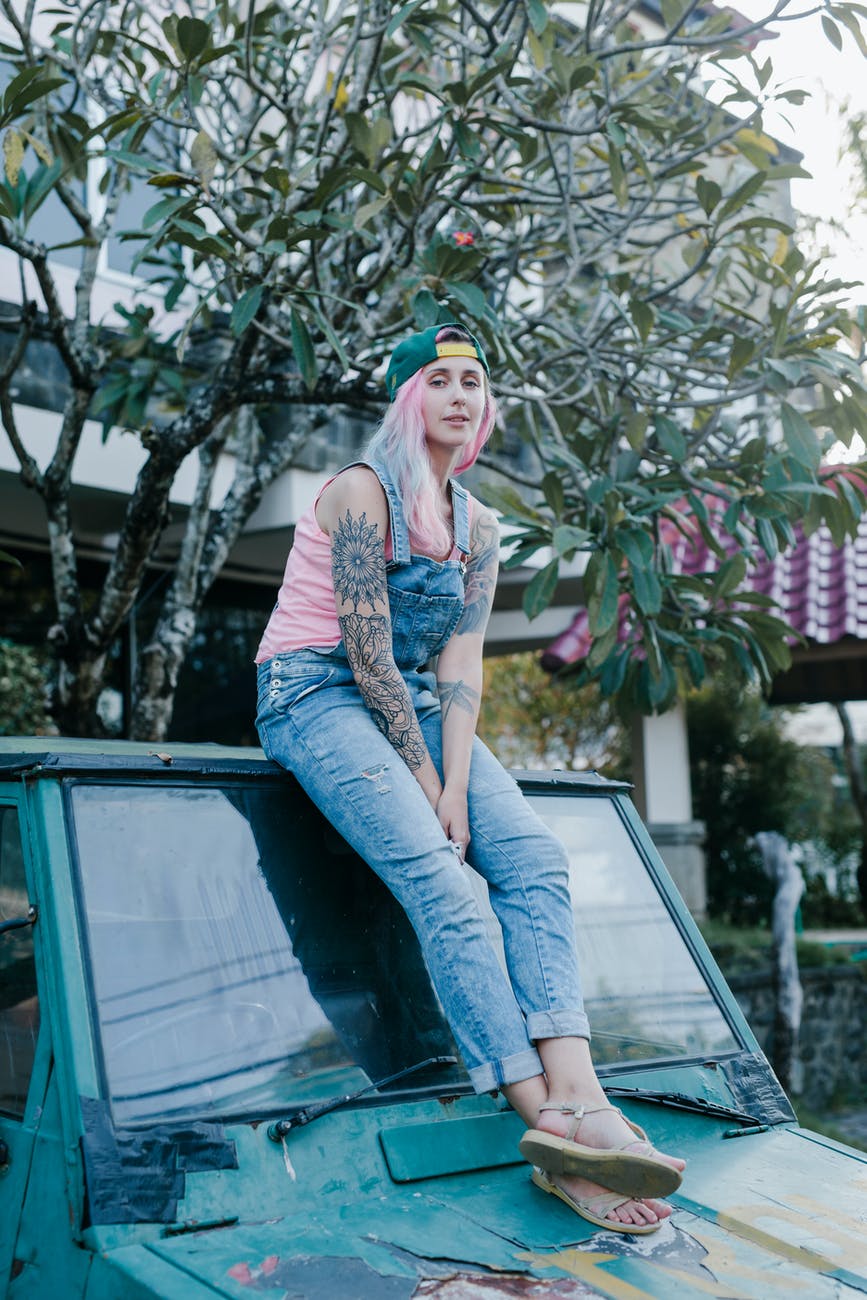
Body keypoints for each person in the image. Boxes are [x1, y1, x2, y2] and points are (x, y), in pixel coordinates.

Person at [255, 322, 685, 1233]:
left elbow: (460, 668)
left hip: (413, 698)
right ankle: (551, 1137)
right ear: (410, 398)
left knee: (531, 859)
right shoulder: (358, 495)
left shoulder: (480, 525)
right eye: (441, 380)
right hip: (315, 691)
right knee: (447, 885)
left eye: (475, 384)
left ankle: (581, 1096)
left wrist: (455, 784)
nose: (461, 396)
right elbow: (368, 660)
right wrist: (430, 791)